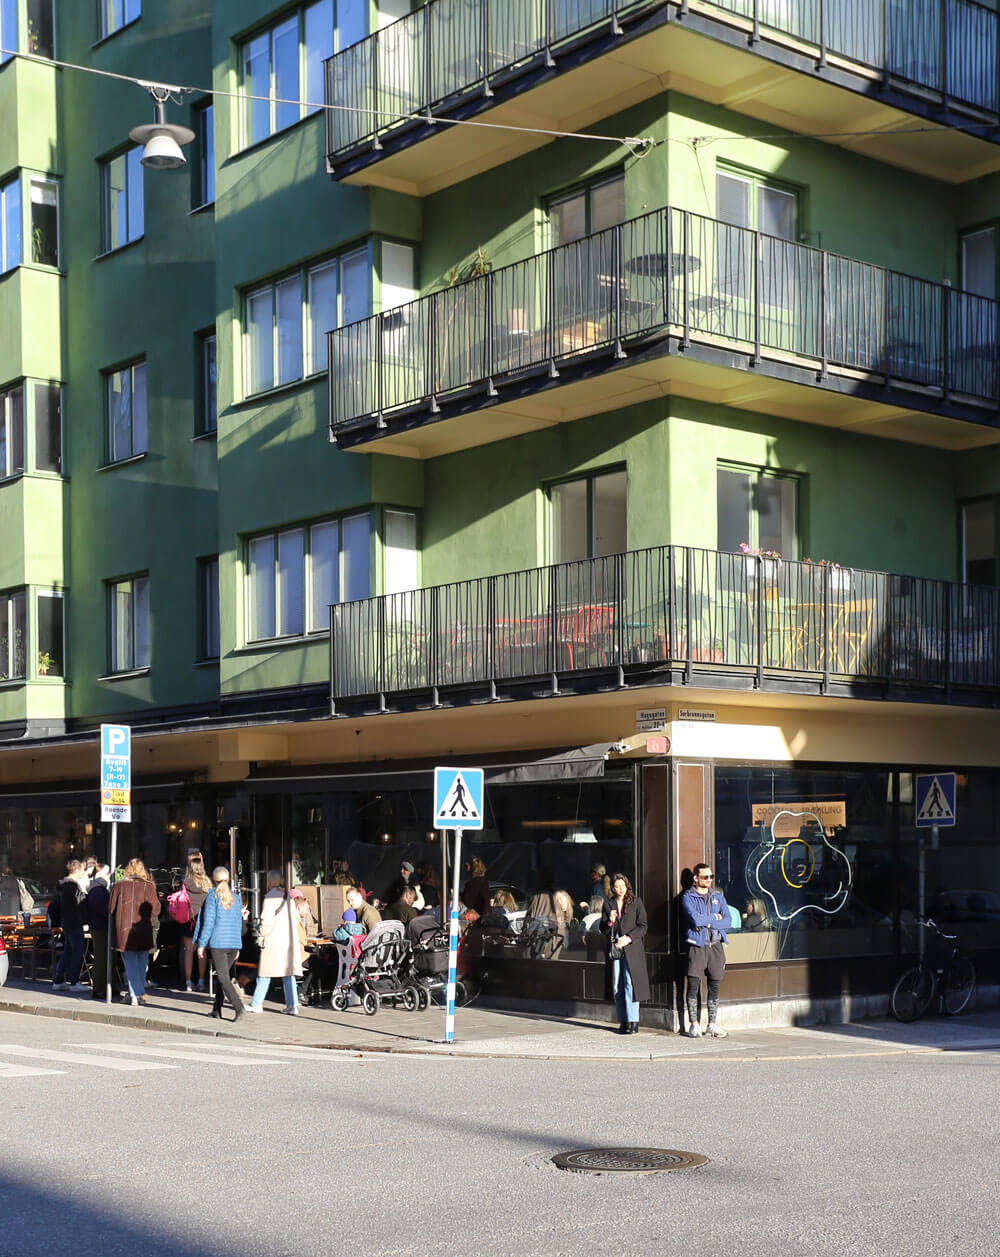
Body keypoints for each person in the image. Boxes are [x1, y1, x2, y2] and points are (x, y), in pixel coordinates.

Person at [681, 862, 730, 1038]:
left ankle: (712, 1024)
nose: (709, 880)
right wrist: (714, 918)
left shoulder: (718, 896)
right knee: (693, 984)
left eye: (711, 877)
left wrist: (707, 920)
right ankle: (694, 1024)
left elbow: (728, 921)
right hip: (697, 945)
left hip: (716, 945)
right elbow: (694, 920)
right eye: (705, 877)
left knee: (714, 986)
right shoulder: (688, 897)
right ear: (696, 878)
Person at [194, 866, 248, 1021]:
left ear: (213, 880)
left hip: (218, 944)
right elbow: (238, 922)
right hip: (232, 944)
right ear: (228, 879)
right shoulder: (236, 898)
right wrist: (238, 945)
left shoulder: (212, 897)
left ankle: (239, 1008)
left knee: (223, 977)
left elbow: (208, 922)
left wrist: (202, 944)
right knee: (222, 977)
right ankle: (216, 1009)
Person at [247, 870, 303, 1016]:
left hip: (273, 941)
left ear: (270, 882)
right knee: (288, 974)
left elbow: (266, 922)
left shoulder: (269, 898)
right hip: (288, 941)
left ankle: (257, 1003)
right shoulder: (289, 898)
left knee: (265, 973)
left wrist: (260, 935)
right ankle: (292, 1005)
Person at [600, 873, 650, 1035]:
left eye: (622, 885)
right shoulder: (609, 904)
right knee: (617, 985)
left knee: (630, 983)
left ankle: (633, 1021)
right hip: (615, 948)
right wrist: (611, 921)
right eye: (616, 886)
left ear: (627, 885)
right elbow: (603, 928)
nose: (620, 889)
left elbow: (643, 926)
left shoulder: (636, 902)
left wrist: (628, 938)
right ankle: (623, 1021)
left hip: (631, 946)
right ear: (613, 888)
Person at [108, 859, 161, 1006]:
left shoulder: (119, 886)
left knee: (130, 964)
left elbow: (111, 909)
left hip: (124, 931)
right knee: (141, 964)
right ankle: (137, 994)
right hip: (143, 929)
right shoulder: (148, 886)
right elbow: (156, 909)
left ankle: (134, 995)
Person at [52, 860, 90, 993]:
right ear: (77, 870)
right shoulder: (72, 886)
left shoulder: (63, 885)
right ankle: (74, 981)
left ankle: (58, 980)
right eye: (81, 870)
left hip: (66, 922)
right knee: (77, 951)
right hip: (74, 922)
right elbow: (81, 903)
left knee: (68, 951)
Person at [181, 853, 213, 992]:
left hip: (188, 919)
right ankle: (201, 981)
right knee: (202, 951)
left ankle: (188, 982)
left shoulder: (186, 882)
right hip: (203, 918)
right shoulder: (207, 883)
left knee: (188, 950)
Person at [84, 866, 111, 1001]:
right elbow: (105, 909)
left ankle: (104, 987)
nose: (109, 877)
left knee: (103, 956)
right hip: (101, 927)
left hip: (99, 927)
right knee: (101, 957)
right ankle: (99, 988)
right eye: (107, 874)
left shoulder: (97, 890)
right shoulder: (98, 891)